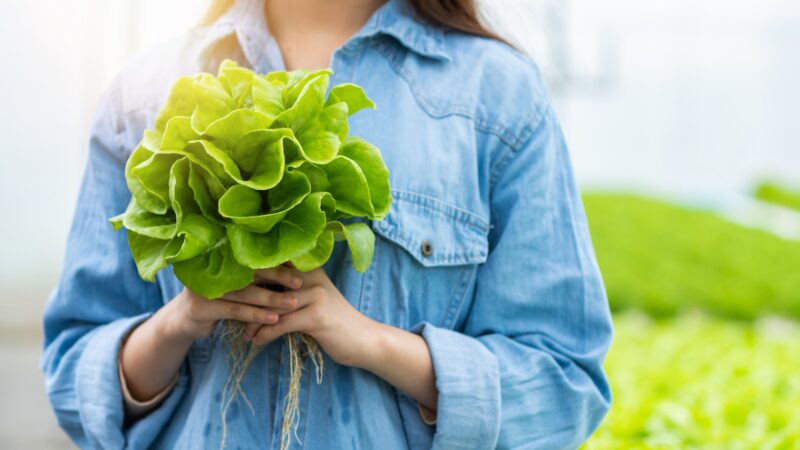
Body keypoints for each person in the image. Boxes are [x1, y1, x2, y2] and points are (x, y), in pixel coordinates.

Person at [41, 0, 613, 448]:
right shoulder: (141, 96)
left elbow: (564, 385)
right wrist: (182, 318)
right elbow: (73, 373)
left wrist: (374, 344)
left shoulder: (496, 98)